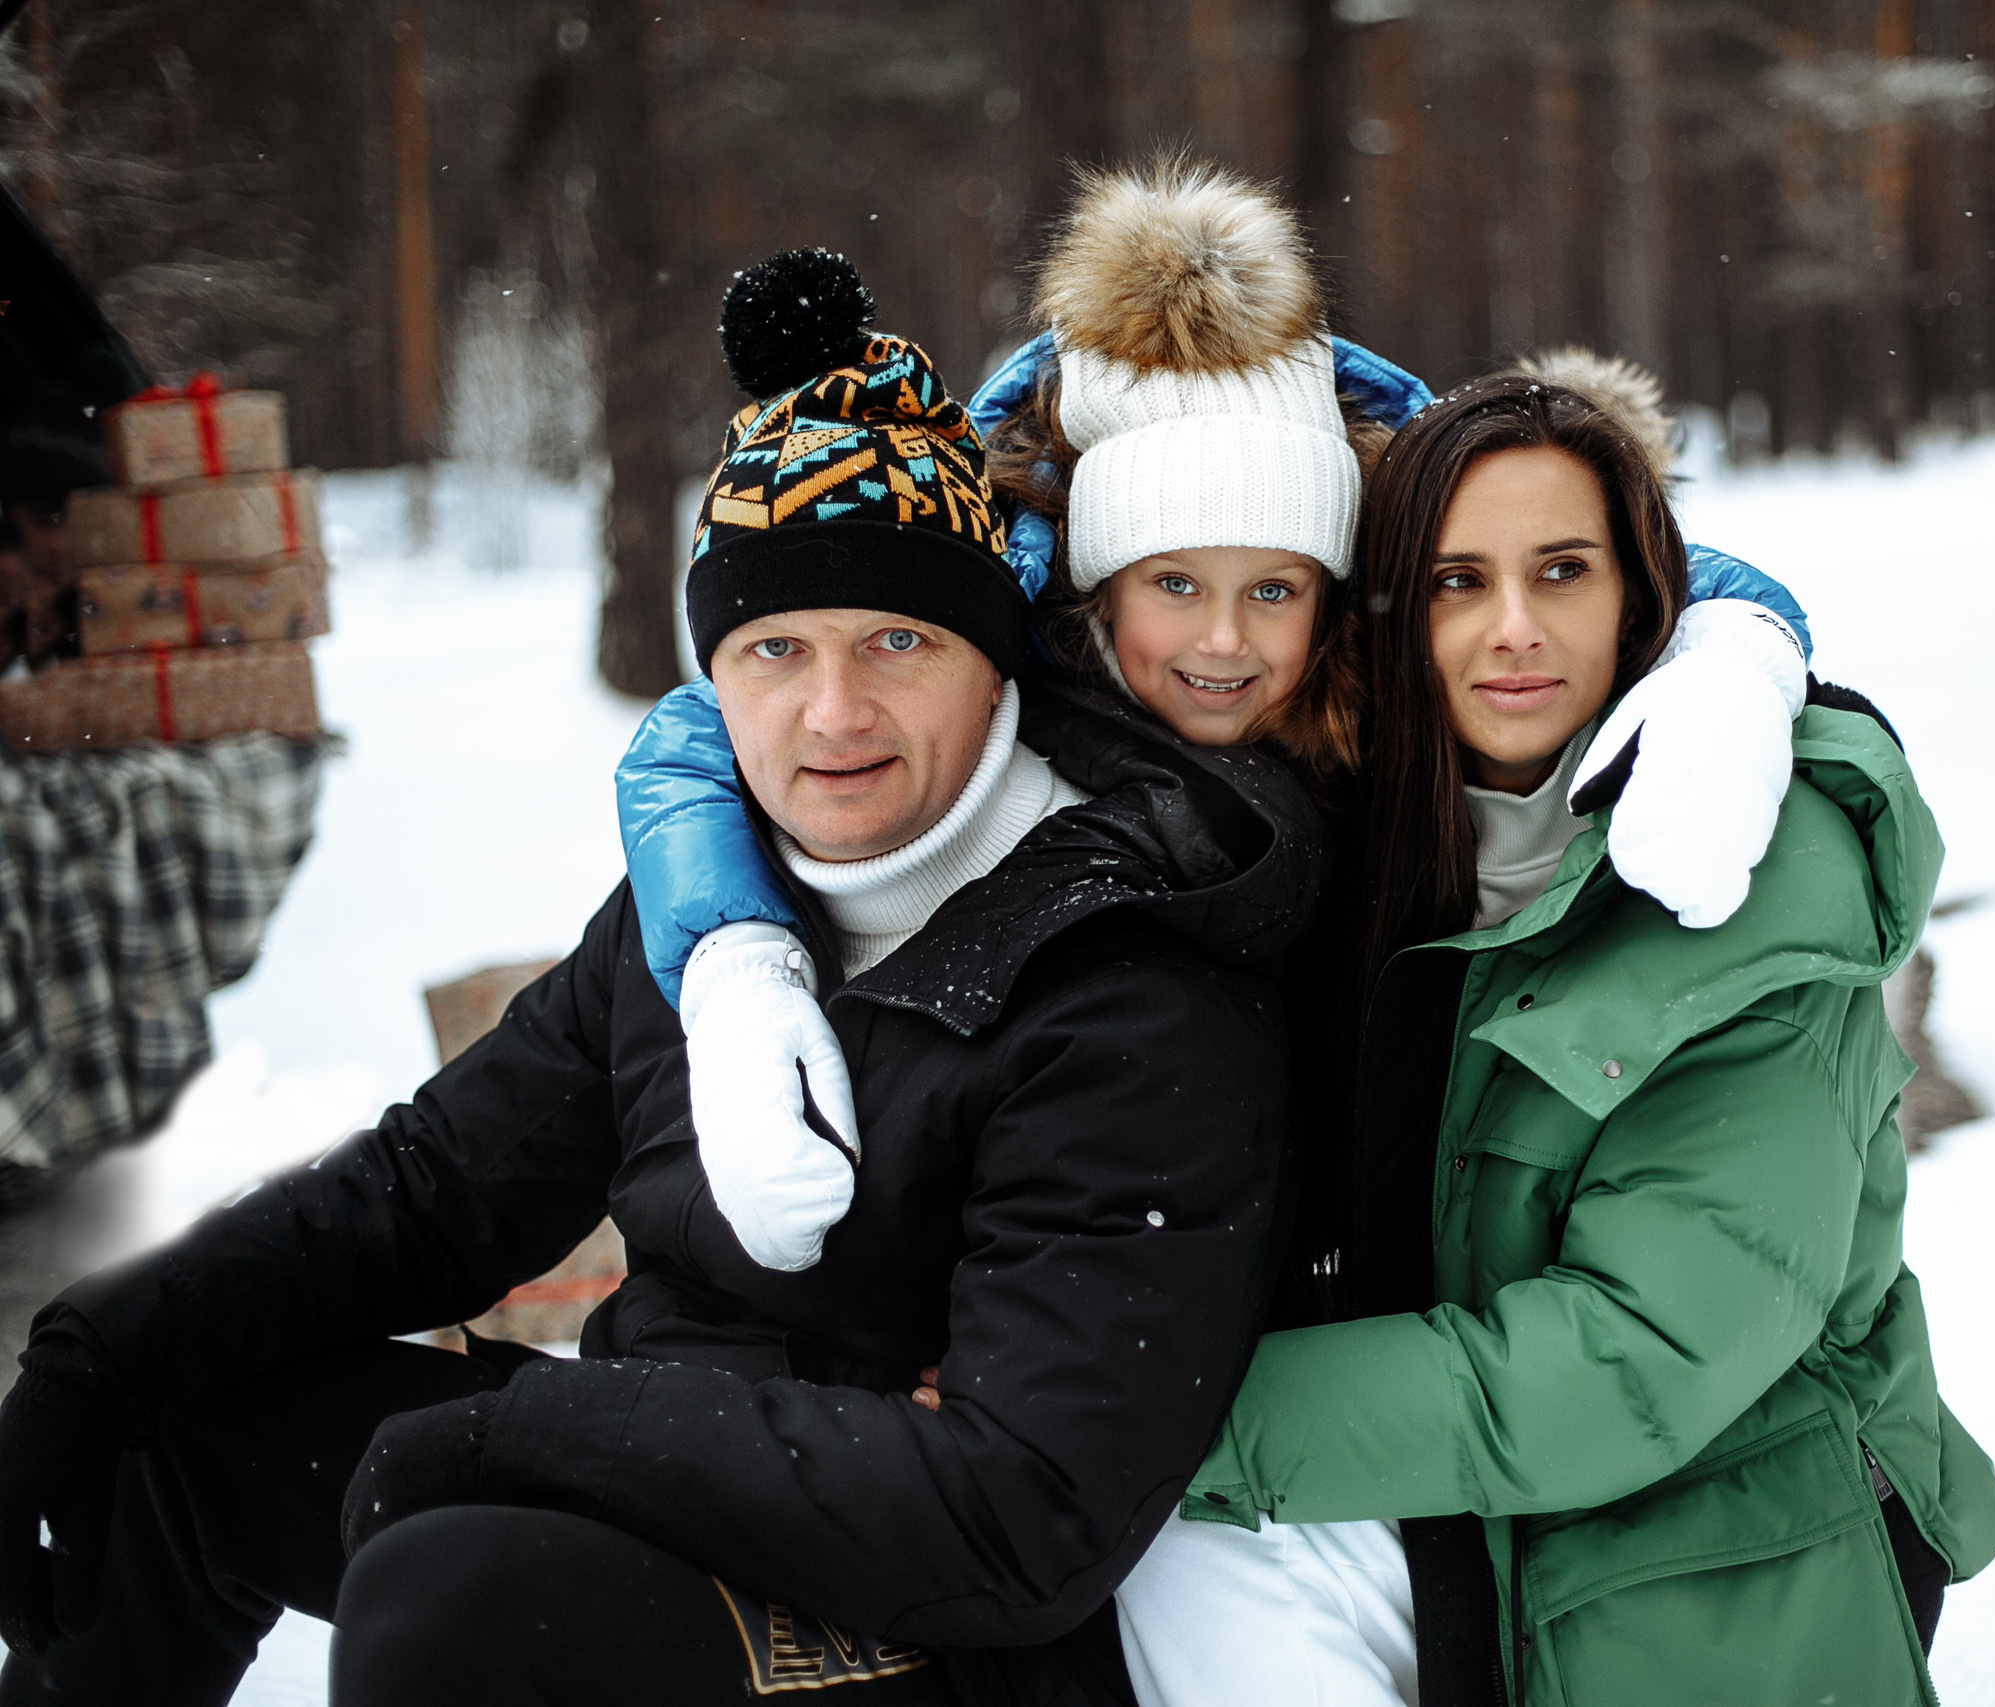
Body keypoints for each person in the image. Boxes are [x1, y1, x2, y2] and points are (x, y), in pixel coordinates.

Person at [0, 278, 1317, 1707]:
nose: (832, 712)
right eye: (775, 649)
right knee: (170, 1418)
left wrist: (542, 1425)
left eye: (898, 641)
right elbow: (436, 1186)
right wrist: (97, 1348)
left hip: (940, 1617)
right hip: (675, 1471)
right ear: (714, 679)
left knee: (448, 1610)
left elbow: (1022, 1511)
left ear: (992, 664)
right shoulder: (703, 917)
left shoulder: (1127, 985)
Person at [618, 161, 1817, 1288]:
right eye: (1173, 585)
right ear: (1091, 583)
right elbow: (703, 728)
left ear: (1340, 589)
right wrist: (735, 964)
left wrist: (1737, 659)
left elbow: (1643, 573)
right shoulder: (1004, 632)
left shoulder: (1388, 641)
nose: (1223, 644)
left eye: (1273, 590)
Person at [1113, 373, 1995, 1707]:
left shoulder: (1754, 868)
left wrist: (1149, 1423)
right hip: (1486, 1485)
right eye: (1456, 581)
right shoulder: (1374, 836)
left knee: (1189, 1513)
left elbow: (1635, 1357)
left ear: (1643, 597)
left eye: (1562, 570)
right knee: (1171, 1559)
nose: (1515, 630)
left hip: (1726, 1532)